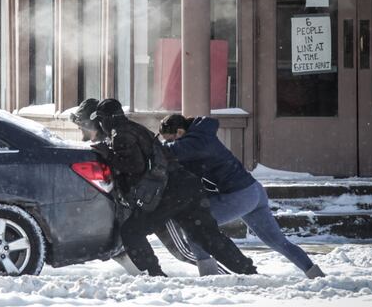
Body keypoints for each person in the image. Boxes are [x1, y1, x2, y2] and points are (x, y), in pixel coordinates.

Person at [89, 99, 258, 277]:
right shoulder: (135, 128)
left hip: (167, 192)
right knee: (208, 235)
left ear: (106, 119)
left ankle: (153, 274)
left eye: (100, 120)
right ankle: (247, 270)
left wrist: (108, 154)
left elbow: (135, 166)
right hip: (187, 185)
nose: (100, 125)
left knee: (132, 231)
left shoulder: (120, 134)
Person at [159, 114, 325, 278]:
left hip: (239, 196)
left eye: (170, 139)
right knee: (278, 242)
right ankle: (315, 274)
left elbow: (167, 152)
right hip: (254, 191)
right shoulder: (201, 135)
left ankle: (209, 278)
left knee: (195, 227)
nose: (170, 142)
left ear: (180, 132)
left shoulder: (196, 143)